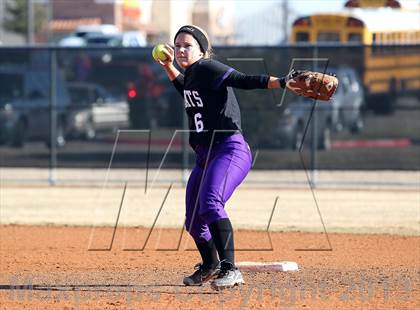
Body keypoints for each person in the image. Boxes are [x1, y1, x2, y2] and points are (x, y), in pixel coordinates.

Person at [154, 25, 293, 290]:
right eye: (178, 45)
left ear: (203, 51)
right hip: (205, 156)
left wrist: (282, 82)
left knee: (210, 203)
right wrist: (168, 68)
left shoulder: (207, 68)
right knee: (194, 222)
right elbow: (186, 90)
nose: (181, 50)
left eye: (188, 45)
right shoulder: (194, 76)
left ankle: (231, 269)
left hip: (229, 149)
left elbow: (241, 80)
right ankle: (210, 265)